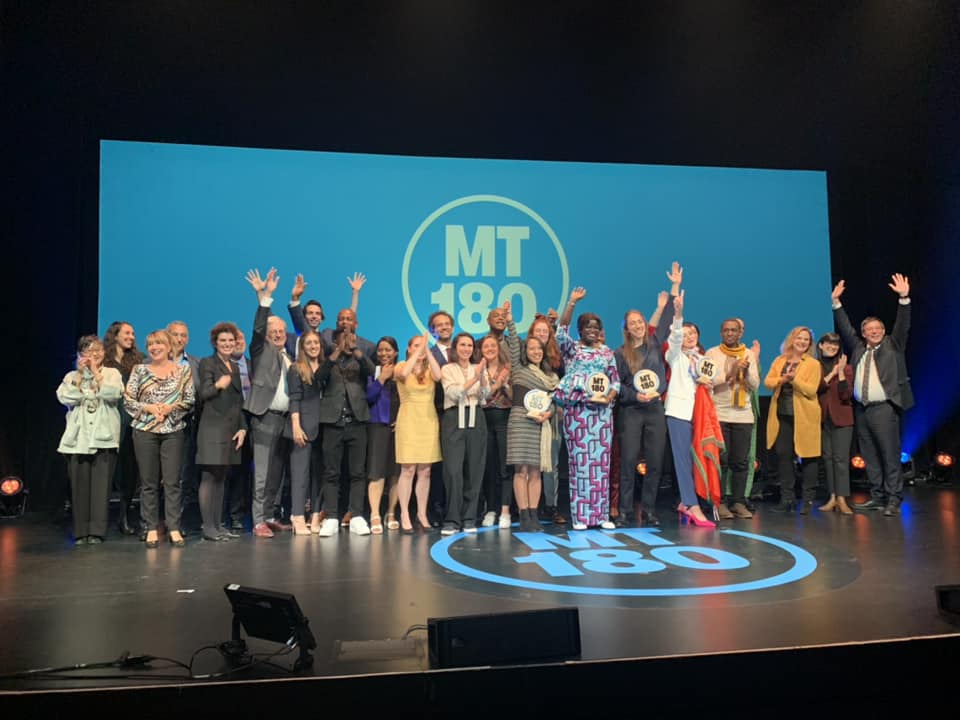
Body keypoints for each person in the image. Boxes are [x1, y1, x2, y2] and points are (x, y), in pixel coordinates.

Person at [832, 275, 913, 516]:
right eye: (870, 330)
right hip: (862, 408)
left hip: (884, 408)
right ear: (864, 333)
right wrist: (836, 303)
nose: (875, 332)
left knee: (889, 454)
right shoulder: (858, 349)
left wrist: (903, 298)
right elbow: (845, 328)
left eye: (878, 329)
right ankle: (877, 496)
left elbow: (903, 325)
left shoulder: (893, 344)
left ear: (884, 331)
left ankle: (893, 498)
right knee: (869, 455)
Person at [555, 288, 620, 531]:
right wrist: (571, 303)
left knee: (601, 464)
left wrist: (609, 397)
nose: (592, 331)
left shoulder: (606, 352)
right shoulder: (572, 350)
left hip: (602, 414)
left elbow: (614, 380)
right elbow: (561, 332)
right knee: (580, 463)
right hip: (578, 412)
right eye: (587, 327)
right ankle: (581, 516)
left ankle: (601, 515)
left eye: (596, 327)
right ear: (580, 330)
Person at [124, 329, 195, 548]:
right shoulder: (139, 370)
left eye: (159, 344)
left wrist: (170, 408)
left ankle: (173, 527)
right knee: (149, 483)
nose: (154, 348)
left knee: (173, 482)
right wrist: (149, 408)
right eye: (151, 344)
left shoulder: (183, 371)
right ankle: (151, 527)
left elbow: (189, 399)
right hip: (144, 431)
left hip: (172, 430)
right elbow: (128, 400)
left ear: (168, 347)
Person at [614, 284, 676, 527]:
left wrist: (671, 293)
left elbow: (668, 319)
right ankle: (625, 511)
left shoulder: (655, 344)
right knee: (628, 462)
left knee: (654, 462)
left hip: (654, 410)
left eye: (640, 321)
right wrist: (634, 396)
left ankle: (649, 510)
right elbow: (617, 385)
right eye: (632, 323)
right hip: (631, 411)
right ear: (627, 329)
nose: (637, 325)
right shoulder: (620, 354)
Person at [57, 335, 123, 545]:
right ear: (80, 355)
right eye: (88, 352)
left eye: (98, 351)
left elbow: (113, 395)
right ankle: (81, 531)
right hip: (78, 439)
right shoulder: (71, 376)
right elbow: (67, 397)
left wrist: (95, 372)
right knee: (79, 486)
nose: (94, 355)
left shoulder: (111, 373)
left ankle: (97, 531)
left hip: (104, 438)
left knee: (101, 486)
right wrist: (79, 374)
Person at [243, 268, 294, 539]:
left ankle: (272, 515)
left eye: (281, 330)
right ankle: (258, 519)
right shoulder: (260, 349)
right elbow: (258, 327)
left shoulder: (289, 355)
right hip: (264, 416)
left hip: (285, 420)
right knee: (262, 472)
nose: (277, 334)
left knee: (277, 472)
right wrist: (265, 297)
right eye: (273, 331)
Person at [315, 325, 377, 537]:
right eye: (344, 339)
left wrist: (356, 351)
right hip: (333, 423)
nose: (348, 342)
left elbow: (373, 371)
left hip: (357, 421)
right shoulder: (329, 360)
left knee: (357, 472)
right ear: (335, 341)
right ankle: (331, 516)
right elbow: (318, 377)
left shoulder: (359, 361)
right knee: (331, 472)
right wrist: (337, 352)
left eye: (351, 339)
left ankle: (357, 515)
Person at [663, 291, 717, 528]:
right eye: (685, 334)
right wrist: (678, 314)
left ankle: (691, 501)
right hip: (679, 412)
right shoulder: (675, 356)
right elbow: (674, 339)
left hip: (700, 413)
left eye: (692, 333)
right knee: (683, 459)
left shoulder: (702, 359)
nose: (689, 337)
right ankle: (691, 505)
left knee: (697, 458)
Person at [504, 304, 559, 532]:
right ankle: (524, 514)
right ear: (526, 350)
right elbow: (514, 341)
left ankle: (534, 514)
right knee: (521, 471)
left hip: (539, 424)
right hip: (519, 421)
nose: (536, 351)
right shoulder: (518, 368)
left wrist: (549, 413)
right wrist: (509, 319)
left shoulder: (550, 376)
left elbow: (555, 400)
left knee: (536, 471)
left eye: (539, 349)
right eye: (532, 348)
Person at [704, 318, 761, 520]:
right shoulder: (711, 354)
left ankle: (738, 502)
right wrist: (730, 373)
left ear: (740, 334)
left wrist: (744, 372)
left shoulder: (748, 354)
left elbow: (755, 385)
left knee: (741, 461)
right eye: (726, 330)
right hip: (720, 413)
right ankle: (720, 503)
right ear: (721, 333)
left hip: (743, 414)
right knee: (722, 461)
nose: (730, 333)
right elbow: (708, 382)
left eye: (733, 330)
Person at [195, 323, 247, 541]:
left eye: (231, 341)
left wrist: (243, 427)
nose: (227, 344)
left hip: (230, 428)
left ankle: (218, 525)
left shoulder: (234, 366)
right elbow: (203, 393)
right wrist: (218, 384)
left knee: (222, 477)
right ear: (215, 343)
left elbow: (238, 400)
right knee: (210, 476)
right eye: (223, 341)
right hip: (212, 428)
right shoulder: (208, 363)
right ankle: (208, 527)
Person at [764, 326, 822, 514]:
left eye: (806, 340)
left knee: (808, 456)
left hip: (805, 416)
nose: (802, 342)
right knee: (783, 455)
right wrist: (782, 379)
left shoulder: (813, 364)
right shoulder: (780, 360)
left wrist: (794, 379)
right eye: (799, 338)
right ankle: (787, 498)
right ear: (792, 339)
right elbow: (768, 381)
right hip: (782, 416)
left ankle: (808, 501)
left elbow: (811, 389)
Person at [439, 332, 490, 535]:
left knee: (474, 470)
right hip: (454, 419)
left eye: (469, 345)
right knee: (453, 471)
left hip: (476, 417)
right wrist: (474, 379)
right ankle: (452, 519)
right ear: (455, 347)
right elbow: (454, 393)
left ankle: (470, 518)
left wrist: (483, 380)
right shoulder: (447, 369)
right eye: (462, 345)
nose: (466, 348)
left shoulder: (478, 368)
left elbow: (485, 396)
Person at [394, 333, 444, 533]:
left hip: (428, 421)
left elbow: (440, 377)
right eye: (415, 345)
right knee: (408, 470)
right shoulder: (401, 365)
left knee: (425, 471)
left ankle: (421, 514)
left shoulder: (430, 370)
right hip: (408, 420)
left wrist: (427, 351)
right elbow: (404, 374)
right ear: (408, 348)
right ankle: (404, 512)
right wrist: (417, 351)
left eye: (422, 345)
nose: (420, 348)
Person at [102, 321, 143, 536]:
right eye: (127, 332)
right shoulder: (104, 361)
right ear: (115, 335)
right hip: (108, 420)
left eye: (133, 333)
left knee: (129, 471)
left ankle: (124, 517)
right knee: (106, 471)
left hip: (130, 421)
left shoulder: (137, 361)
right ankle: (100, 519)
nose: (131, 336)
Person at [527, 313, 566, 525]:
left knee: (551, 463)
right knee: (527, 466)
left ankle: (551, 506)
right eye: (538, 331)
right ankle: (526, 507)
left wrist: (554, 409)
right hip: (527, 419)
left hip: (551, 417)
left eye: (545, 331)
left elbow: (562, 387)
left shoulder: (556, 359)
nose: (541, 334)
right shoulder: (524, 360)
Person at [287, 330, 325, 535]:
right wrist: (295, 425)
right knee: (300, 474)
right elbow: (294, 398)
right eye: (308, 343)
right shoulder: (296, 369)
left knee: (318, 475)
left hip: (323, 427)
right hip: (302, 427)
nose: (313, 346)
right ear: (302, 347)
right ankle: (297, 515)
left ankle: (316, 514)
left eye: (316, 342)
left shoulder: (326, 368)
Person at [365, 336, 401, 534]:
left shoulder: (402, 372)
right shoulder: (373, 372)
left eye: (388, 350)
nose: (384, 354)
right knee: (376, 472)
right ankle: (374, 513)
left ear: (395, 352)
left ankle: (391, 513)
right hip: (377, 426)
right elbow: (368, 397)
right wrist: (381, 379)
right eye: (380, 350)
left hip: (399, 428)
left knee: (395, 473)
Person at [816, 332, 854, 515]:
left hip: (842, 419)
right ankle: (831, 497)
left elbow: (846, 395)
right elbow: (816, 388)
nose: (832, 347)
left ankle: (842, 498)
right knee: (828, 459)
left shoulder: (846, 368)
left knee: (841, 460)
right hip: (823, 419)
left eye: (835, 345)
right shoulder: (816, 367)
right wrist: (832, 372)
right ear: (821, 345)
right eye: (828, 344)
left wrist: (840, 373)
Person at [477, 334, 512, 528]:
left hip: (504, 420)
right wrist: (492, 385)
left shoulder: (507, 369)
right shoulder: (478, 369)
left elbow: (515, 397)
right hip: (484, 421)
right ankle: (491, 509)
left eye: (493, 346)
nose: (489, 349)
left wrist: (504, 386)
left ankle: (505, 510)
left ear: (498, 349)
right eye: (485, 346)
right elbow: (481, 397)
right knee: (489, 467)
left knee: (504, 467)